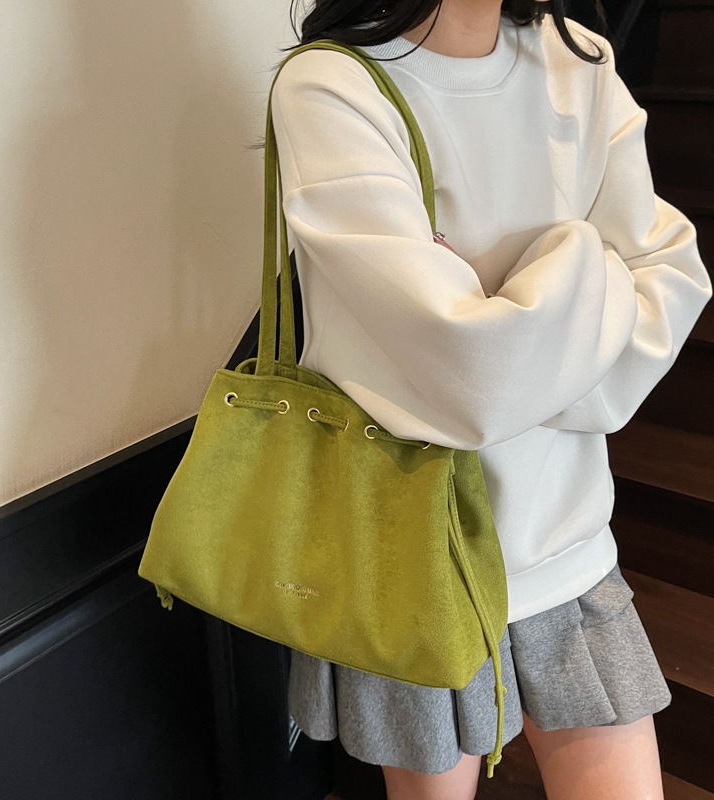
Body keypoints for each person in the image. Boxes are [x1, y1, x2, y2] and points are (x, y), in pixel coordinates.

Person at [269, 0, 712, 798]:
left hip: (569, 542)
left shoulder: (580, 63)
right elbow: (473, 374)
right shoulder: (333, 85)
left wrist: (501, 307)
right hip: (416, 559)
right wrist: (589, 259)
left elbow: (673, 282)